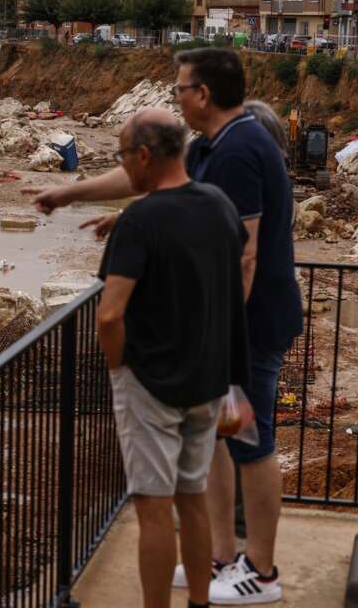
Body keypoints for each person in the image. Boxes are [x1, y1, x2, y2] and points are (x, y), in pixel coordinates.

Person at [24, 48, 302, 605]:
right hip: (221, 341)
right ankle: (221, 559)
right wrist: (75, 194)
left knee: (252, 445)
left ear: (202, 94)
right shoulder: (213, 145)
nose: (175, 96)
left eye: (180, 88)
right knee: (219, 453)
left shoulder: (239, 150)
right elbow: (164, 190)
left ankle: (261, 572)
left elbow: (243, 256)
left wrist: (220, 343)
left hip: (250, 326)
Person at [98, 108, 248, 608]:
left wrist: (120, 371)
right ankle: (200, 604)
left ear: (143, 156)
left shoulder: (140, 220)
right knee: (194, 501)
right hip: (206, 381)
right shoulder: (219, 205)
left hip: (152, 384)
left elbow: (109, 314)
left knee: (154, 510)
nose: (125, 167)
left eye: (123, 156)